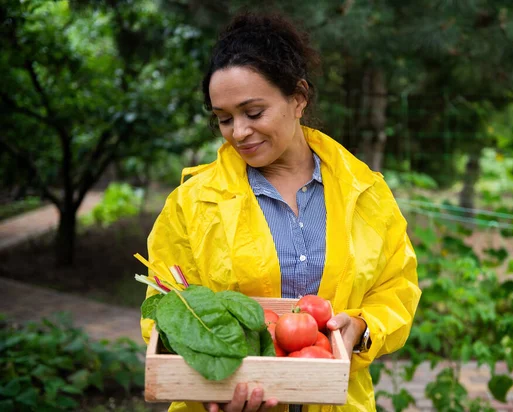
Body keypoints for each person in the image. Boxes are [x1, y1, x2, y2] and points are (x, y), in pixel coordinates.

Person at [140, 12, 421, 412]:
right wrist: (209, 392)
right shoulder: (193, 204)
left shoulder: (366, 192)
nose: (239, 132)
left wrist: (361, 327)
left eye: (253, 113)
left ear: (299, 97)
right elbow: (166, 308)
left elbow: (397, 288)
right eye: (224, 119)